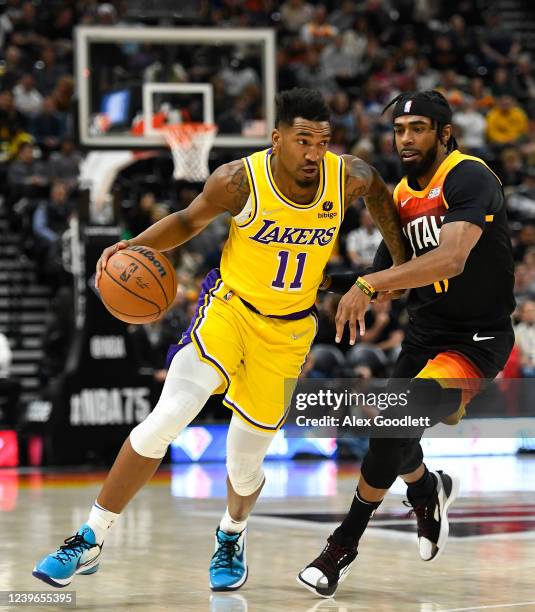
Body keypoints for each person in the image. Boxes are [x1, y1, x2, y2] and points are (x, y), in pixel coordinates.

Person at [33, 88, 409, 590]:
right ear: (277, 139)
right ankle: (90, 537)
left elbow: (386, 206)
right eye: (303, 140)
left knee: (245, 462)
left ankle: (231, 534)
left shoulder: (351, 177)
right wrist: (132, 246)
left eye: (322, 141)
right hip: (229, 312)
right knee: (165, 419)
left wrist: (394, 271)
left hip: (289, 331)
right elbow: (188, 221)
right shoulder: (239, 179)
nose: (314, 152)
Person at [297, 90, 515, 597]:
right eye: (399, 129)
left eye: (418, 128)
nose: (406, 139)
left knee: (393, 424)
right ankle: (424, 488)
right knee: (385, 439)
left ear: (443, 133)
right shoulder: (399, 195)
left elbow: (450, 259)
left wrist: (369, 288)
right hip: (426, 332)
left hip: (476, 340)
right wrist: (325, 284)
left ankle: (341, 546)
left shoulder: (469, 176)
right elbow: (386, 273)